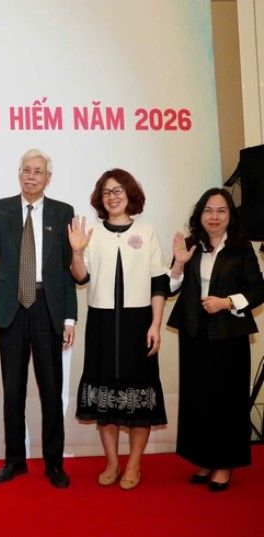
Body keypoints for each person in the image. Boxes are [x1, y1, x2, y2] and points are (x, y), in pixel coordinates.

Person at [0, 149, 76, 488]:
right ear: (19, 173)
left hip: (48, 308)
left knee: (51, 390)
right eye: (26, 170)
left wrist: (69, 318)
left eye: (38, 171)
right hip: (12, 308)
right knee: (12, 391)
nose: (31, 176)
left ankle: (54, 464)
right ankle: (14, 461)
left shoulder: (63, 212)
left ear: (48, 178)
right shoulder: (2, 208)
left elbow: (68, 268)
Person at [68, 168, 168, 490]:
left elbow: (159, 283)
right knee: (106, 398)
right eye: (106, 192)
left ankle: (134, 464)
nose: (112, 197)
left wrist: (156, 325)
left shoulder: (147, 231)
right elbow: (81, 277)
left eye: (118, 190)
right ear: (100, 198)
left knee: (140, 397)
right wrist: (77, 251)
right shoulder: (92, 233)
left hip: (139, 324)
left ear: (129, 194)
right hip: (102, 324)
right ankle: (112, 462)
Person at [168, 188, 264, 492]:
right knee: (199, 399)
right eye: (208, 210)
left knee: (227, 400)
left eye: (221, 211)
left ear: (230, 216)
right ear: (200, 214)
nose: (214, 216)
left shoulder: (241, 248)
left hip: (229, 334)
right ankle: (205, 459)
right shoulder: (190, 245)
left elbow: (258, 290)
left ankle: (225, 463)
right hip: (194, 333)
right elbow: (170, 287)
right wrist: (179, 263)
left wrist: (227, 302)